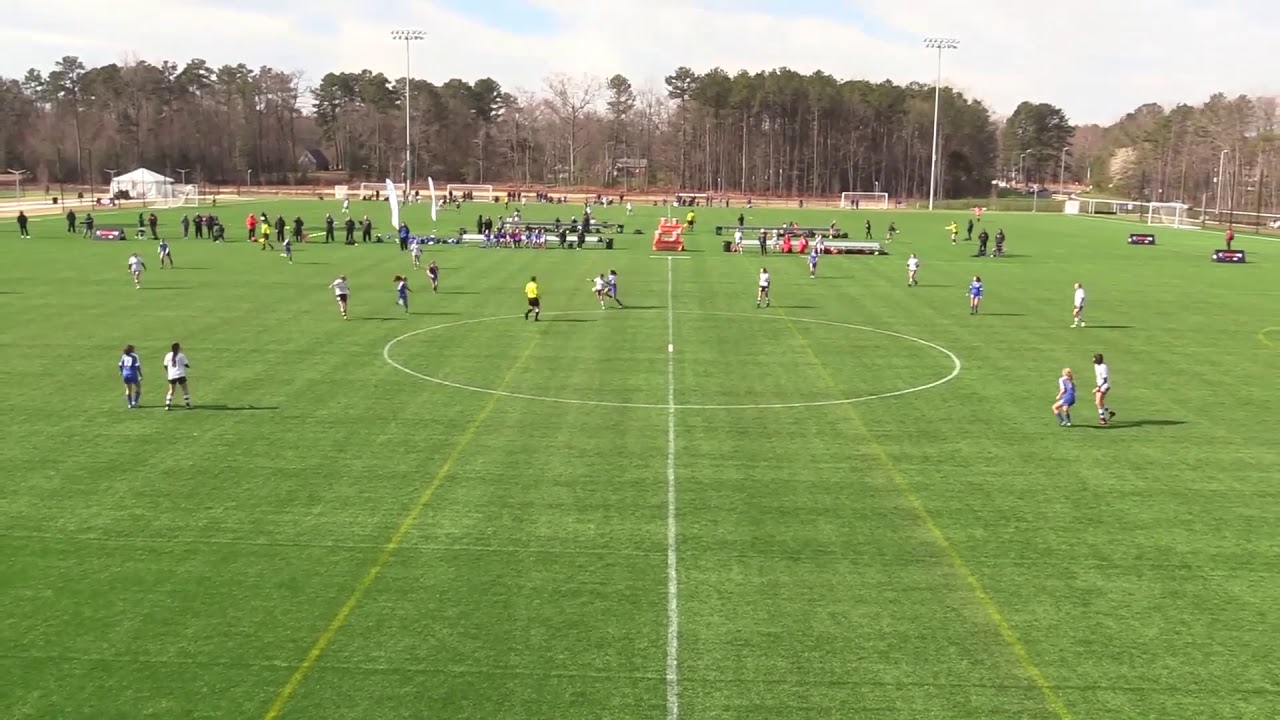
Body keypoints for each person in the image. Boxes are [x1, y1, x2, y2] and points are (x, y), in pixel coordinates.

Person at [162, 342, 192, 410]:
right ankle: (187, 404)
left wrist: (168, 372)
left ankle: (167, 405)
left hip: (171, 375)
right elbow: (186, 364)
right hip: (180, 374)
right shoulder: (181, 355)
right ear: (178, 348)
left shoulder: (168, 355)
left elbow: (165, 365)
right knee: (185, 389)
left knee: (171, 390)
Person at [1093, 353, 1116, 425]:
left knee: (1098, 402)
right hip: (1099, 384)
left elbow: (1105, 380)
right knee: (1098, 402)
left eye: (1094, 358)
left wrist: (1098, 387)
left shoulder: (1103, 367)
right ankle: (1110, 412)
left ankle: (1102, 419)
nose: (1093, 359)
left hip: (1104, 386)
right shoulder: (1096, 365)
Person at [119, 344, 142, 408]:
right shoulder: (135, 356)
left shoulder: (123, 356)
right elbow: (137, 366)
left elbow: (120, 365)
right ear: (131, 350)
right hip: (133, 374)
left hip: (125, 374)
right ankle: (135, 402)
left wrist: (121, 371)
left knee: (128, 389)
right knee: (138, 387)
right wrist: (140, 375)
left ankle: (130, 404)